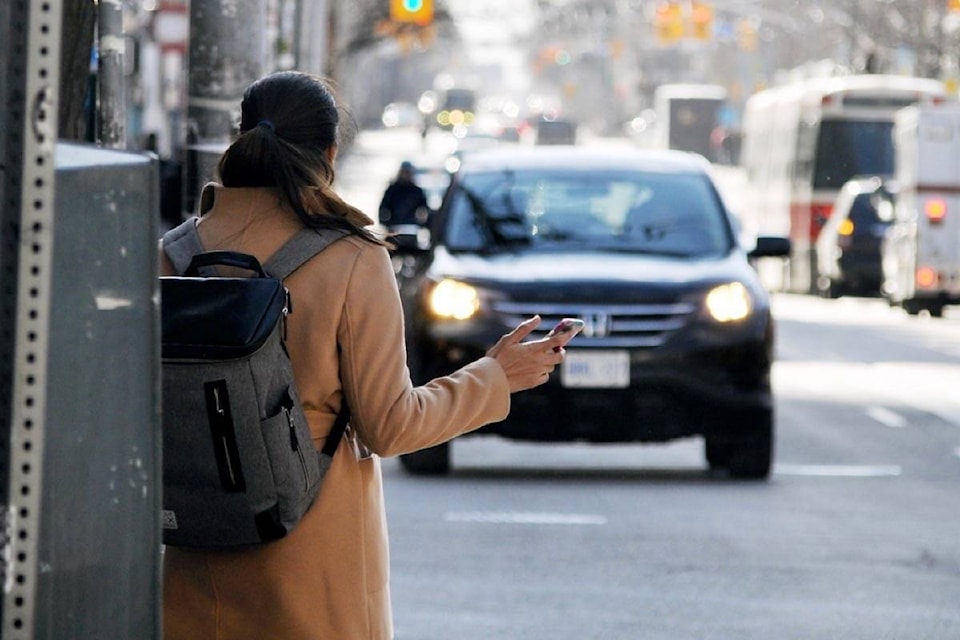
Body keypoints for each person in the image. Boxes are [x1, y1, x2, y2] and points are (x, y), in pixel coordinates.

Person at [160, 70, 568, 640]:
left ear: (241, 140)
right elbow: (389, 426)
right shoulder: (352, 259)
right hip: (311, 576)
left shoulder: (172, 258)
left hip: (188, 574)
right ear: (329, 153)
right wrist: (495, 377)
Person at [378, 160, 429, 228]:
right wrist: (385, 222)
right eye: (404, 172)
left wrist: (421, 223)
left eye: (407, 172)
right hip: (394, 227)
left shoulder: (417, 191)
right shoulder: (392, 190)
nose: (405, 174)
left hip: (411, 227)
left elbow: (424, 208)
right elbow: (384, 207)